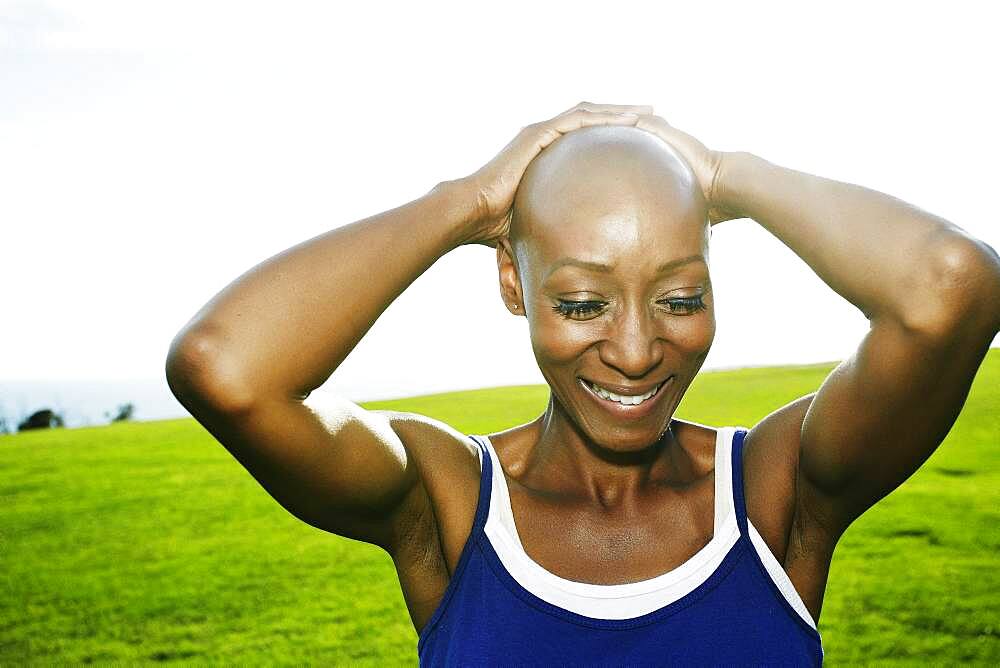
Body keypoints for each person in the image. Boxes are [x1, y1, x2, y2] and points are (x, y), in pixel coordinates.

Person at [164, 102, 1000, 665]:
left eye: (680, 297)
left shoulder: (777, 491)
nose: (635, 351)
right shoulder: (449, 502)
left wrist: (723, 178)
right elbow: (225, 367)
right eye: (581, 301)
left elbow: (953, 284)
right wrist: (467, 201)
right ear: (513, 285)